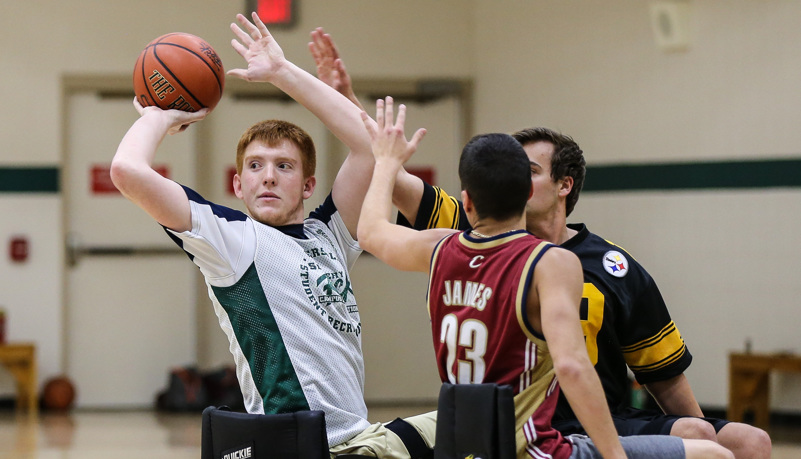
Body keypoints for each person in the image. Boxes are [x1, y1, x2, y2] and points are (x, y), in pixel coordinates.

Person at [306, 29, 770, 459]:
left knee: (747, 439)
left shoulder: (610, 267)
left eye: (527, 167)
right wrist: (345, 100)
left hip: (604, 417)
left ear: (564, 185)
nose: (511, 174)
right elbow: (392, 168)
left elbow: (665, 377)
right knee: (699, 442)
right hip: (537, 429)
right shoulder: (476, 237)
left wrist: (698, 423)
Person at [111, 12, 435, 458]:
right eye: (255, 166)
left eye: (283, 167)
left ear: (307, 185)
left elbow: (368, 143)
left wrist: (283, 72)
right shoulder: (230, 239)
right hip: (298, 446)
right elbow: (127, 171)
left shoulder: (332, 234)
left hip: (360, 438)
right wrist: (158, 115)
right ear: (238, 185)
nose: (268, 177)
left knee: (474, 423)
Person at [357, 97, 733, 459]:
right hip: (534, 445)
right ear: (524, 193)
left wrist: (386, 163)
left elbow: (371, 231)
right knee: (712, 454)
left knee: (735, 439)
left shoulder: (442, 247)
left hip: (471, 439)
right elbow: (571, 366)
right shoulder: (549, 262)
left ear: (467, 201)